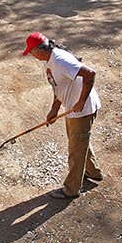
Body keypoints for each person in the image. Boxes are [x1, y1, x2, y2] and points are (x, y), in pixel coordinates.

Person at [22, 31, 103, 199]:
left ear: (38, 49)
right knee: (79, 142)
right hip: (73, 109)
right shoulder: (48, 60)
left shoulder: (60, 60)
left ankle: (71, 189)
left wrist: (81, 101)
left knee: (76, 149)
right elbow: (58, 86)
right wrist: (54, 108)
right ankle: (93, 173)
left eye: (30, 51)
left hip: (82, 110)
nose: (30, 55)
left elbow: (90, 74)